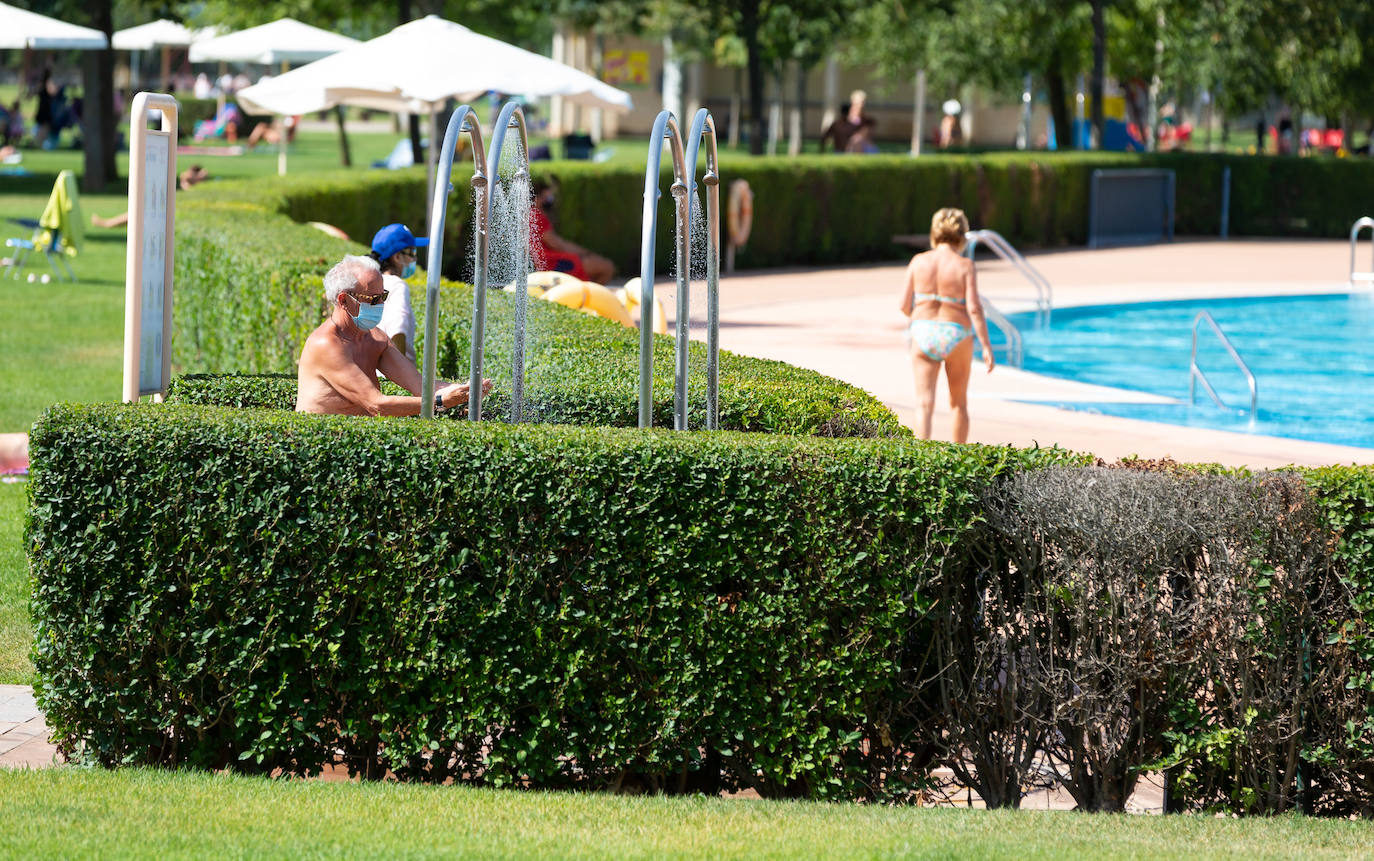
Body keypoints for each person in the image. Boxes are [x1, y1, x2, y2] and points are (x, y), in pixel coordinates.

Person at [296, 255, 490, 416]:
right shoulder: (325, 344)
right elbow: (376, 404)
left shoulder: (375, 337)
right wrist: (439, 403)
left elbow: (421, 386)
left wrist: (465, 391)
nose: (380, 305)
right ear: (344, 300)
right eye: (373, 300)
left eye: (383, 296)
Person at [898, 207, 995, 442]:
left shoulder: (918, 261)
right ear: (962, 235)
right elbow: (973, 308)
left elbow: (903, 304)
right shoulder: (965, 266)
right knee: (958, 404)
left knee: (923, 403)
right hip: (956, 332)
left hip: (923, 331)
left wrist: (920, 318)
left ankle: (922, 461)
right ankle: (958, 461)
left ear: (934, 233)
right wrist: (986, 345)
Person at [530, 178, 615, 283]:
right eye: (546, 197)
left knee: (602, 266)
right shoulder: (537, 216)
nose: (550, 201)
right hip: (553, 263)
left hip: (547, 263)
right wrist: (584, 253)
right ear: (536, 198)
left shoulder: (530, 214)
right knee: (607, 267)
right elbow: (557, 244)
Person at [368, 223, 426, 363]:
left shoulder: (369, 282)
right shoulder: (398, 286)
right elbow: (397, 331)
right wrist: (401, 376)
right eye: (412, 252)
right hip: (391, 376)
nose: (415, 259)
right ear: (397, 257)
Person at [90, 165, 209, 228]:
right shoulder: (188, 183)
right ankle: (107, 223)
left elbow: (187, 177)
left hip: (172, 212)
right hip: (166, 208)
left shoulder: (200, 185)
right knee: (133, 215)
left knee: (134, 215)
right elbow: (185, 177)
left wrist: (199, 176)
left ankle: (107, 223)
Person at [819, 89, 876, 153]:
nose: (862, 105)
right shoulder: (841, 122)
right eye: (860, 102)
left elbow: (866, 132)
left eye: (863, 102)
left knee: (860, 140)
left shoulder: (866, 121)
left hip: (859, 149)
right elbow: (826, 136)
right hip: (843, 150)